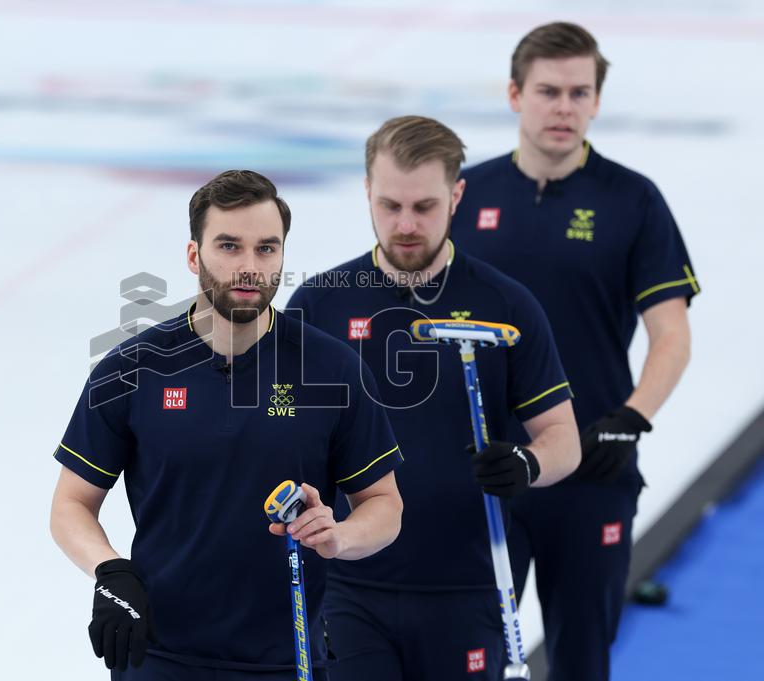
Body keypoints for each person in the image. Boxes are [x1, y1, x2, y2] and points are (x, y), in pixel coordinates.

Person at [49, 169, 404, 681]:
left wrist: (340, 536)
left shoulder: (332, 368)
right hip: (160, 659)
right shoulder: (132, 368)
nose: (249, 267)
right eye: (229, 246)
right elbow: (71, 504)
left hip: (287, 661)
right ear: (194, 255)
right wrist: (109, 570)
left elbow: (385, 505)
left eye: (266, 249)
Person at [287, 116, 580, 681]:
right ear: (367, 192)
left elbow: (564, 439)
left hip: (469, 584)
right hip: (347, 579)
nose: (405, 225)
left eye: (424, 207)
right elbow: (278, 428)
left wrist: (527, 462)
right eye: (389, 205)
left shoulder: (506, 304)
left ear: (457, 195)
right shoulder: (319, 305)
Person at [451, 22, 699, 681]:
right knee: (468, 658)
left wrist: (632, 417)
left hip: (591, 467)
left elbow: (671, 333)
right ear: (515, 94)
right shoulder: (462, 196)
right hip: (482, 474)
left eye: (579, 93)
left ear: (596, 101)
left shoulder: (632, 200)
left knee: (583, 661)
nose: (564, 107)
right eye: (548, 91)